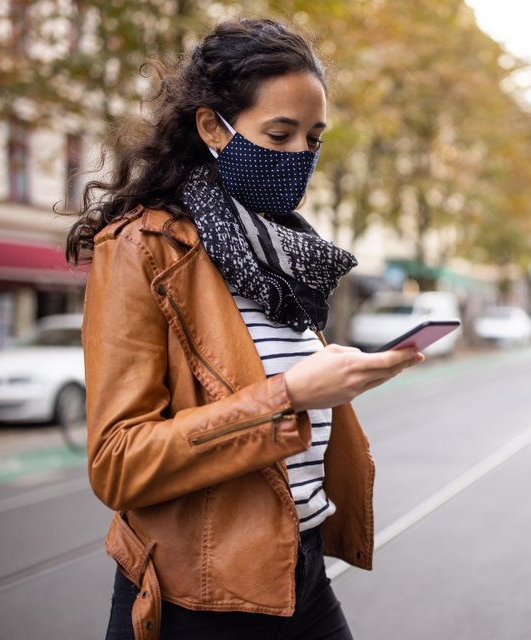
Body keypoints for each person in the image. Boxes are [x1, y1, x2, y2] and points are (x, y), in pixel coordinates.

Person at [66, 18, 423, 640]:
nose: (299, 157)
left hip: (299, 571)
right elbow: (118, 462)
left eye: (313, 138)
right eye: (278, 133)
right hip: (199, 596)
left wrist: (341, 377)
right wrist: (291, 394)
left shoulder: (287, 254)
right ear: (212, 127)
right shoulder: (142, 247)